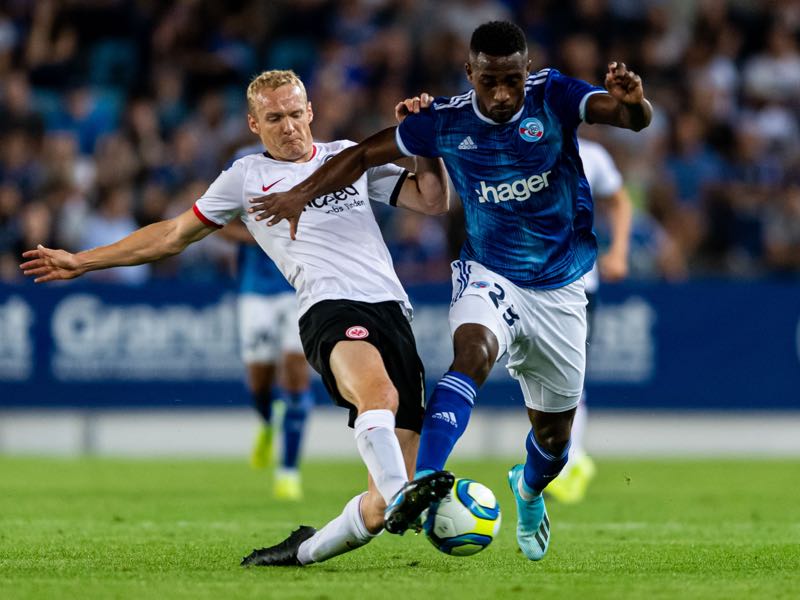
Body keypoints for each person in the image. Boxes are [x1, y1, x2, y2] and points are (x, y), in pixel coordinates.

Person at [248, 21, 652, 561]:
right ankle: (425, 479)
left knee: (554, 440)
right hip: (490, 271)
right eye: (491, 81)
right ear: (471, 74)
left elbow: (623, 115)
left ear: (527, 71)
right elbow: (360, 155)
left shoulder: (553, 94)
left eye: (513, 79)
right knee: (472, 353)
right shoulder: (446, 120)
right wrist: (302, 194)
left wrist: (635, 106)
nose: (504, 93)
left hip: (561, 286)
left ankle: (528, 490)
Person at [20, 69, 455, 566]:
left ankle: (303, 550)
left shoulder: (345, 157)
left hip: (393, 312)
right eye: (275, 118)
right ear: (254, 124)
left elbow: (433, 200)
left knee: (378, 505)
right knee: (379, 395)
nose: (289, 126)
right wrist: (83, 260)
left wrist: (425, 141)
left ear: (310, 111)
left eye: (295, 114)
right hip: (329, 308)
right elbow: (171, 235)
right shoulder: (245, 178)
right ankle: (404, 496)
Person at [221, 142, 315, 501]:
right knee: (258, 383)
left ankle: (289, 471)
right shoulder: (243, 161)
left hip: (297, 287)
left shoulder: (310, 159)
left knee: (294, 371)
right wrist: (261, 236)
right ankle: (266, 420)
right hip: (254, 290)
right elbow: (219, 223)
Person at [545, 136, 633, 504]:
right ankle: (569, 459)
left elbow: (619, 200)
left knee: (569, 379)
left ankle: (566, 464)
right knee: (541, 378)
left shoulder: (592, 155)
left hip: (579, 283)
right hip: (525, 282)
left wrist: (619, 252)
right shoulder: (514, 145)